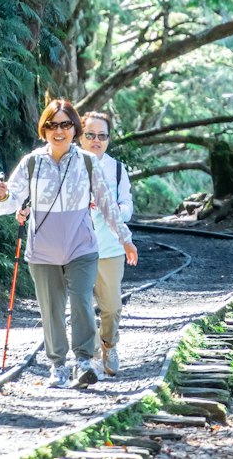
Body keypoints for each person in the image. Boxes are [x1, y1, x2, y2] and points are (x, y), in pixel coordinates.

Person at [0, 99, 138, 389]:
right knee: (51, 308)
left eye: (66, 124)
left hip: (82, 247)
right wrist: (1, 195)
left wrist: (126, 240)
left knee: (82, 302)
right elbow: (7, 205)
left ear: (75, 128)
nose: (59, 131)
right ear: (44, 129)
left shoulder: (86, 161)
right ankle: (58, 365)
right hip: (42, 251)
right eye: (52, 125)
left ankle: (84, 362)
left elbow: (108, 205)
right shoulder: (33, 162)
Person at [80, 110, 133, 376]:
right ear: (80, 136)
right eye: (90, 135)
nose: (96, 140)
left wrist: (110, 209)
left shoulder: (118, 170)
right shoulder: (70, 165)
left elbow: (127, 205)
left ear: (109, 139)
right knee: (81, 306)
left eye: (102, 136)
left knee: (111, 307)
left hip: (110, 248)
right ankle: (85, 357)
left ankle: (109, 346)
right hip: (75, 247)